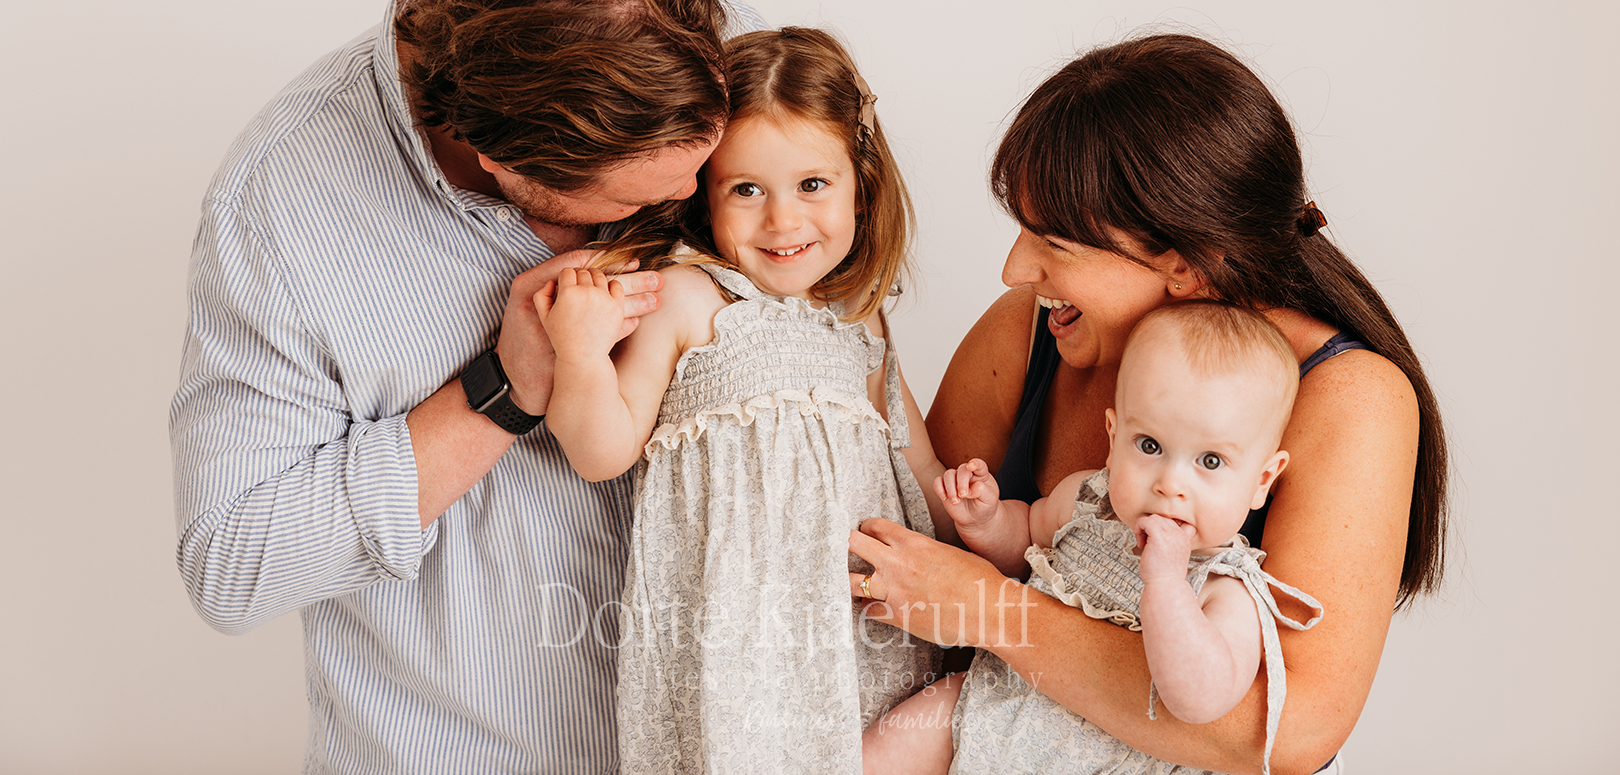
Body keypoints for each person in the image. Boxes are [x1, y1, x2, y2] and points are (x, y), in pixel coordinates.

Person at [169, 0, 764, 771]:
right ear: (499, 158)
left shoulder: (712, 50)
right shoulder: (276, 203)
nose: (698, 192)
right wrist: (500, 392)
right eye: (636, 201)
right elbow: (233, 566)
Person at [847, 33, 1449, 775]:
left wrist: (993, 610)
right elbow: (923, 543)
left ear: (1186, 265)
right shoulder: (1035, 328)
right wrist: (855, 341)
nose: (1014, 269)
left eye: (1055, 242)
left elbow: (1284, 734)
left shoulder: (1350, 398)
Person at [536, 27, 945, 772]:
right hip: (737, 652)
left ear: (862, 184)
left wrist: (973, 523)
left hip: (861, 637)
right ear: (704, 197)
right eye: (747, 189)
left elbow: (912, 464)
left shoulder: (859, 318)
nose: (782, 221)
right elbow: (601, 451)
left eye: (812, 185)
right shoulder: (689, 301)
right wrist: (579, 352)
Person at [864, 301, 1324, 775]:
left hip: (1108, 758)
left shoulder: (1227, 590)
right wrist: (986, 521)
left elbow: (1199, 702)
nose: (1171, 483)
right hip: (991, 702)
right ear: (1113, 435)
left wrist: (1166, 583)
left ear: (1262, 480)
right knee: (876, 752)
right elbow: (1024, 543)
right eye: (1150, 446)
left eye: (1210, 462)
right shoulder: (1086, 499)